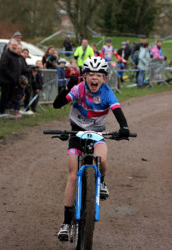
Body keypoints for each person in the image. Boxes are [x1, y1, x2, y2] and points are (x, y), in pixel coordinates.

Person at [52, 56, 130, 241]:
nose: (94, 78)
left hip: (97, 134)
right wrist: (67, 88)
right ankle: (66, 223)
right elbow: (57, 104)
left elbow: (118, 111)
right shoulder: (79, 88)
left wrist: (124, 127)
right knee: (72, 176)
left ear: (104, 78)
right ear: (85, 76)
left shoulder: (107, 92)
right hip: (76, 134)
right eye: (91, 75)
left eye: (98, 75)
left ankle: (101, 181)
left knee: (102, 160)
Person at [0, 38, 22, 114]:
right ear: (8, 45)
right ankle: (2, 110)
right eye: (13, 45)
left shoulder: (15, 55)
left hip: (13, 80)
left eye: (15, 45)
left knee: (11, 96)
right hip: (6, 80)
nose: (14, 46)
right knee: (5, 96)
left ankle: (8, 109)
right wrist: (11, 76)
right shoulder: (5, 54)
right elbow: (3, 67)